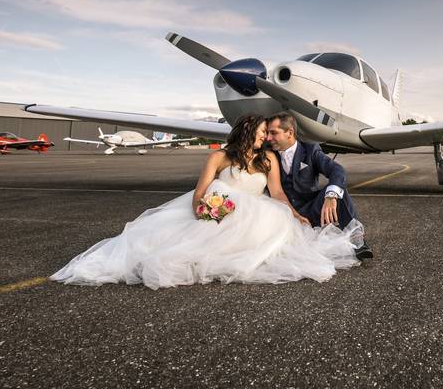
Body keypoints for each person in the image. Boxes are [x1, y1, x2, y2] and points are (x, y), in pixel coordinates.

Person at [51, 115, 364, 289]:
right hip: (219, 210)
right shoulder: (217, 157)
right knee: (175, 247)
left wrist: (295, 216)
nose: (265, 138)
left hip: (258, 211)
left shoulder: (268, 157)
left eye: (269, 133)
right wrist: (206, 212)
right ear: (246, 134)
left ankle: (354, 238)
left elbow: (278, 194)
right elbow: (200, 194)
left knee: (282, 227)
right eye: (260, 133)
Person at [266, 112, 373, 260]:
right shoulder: (267, 152)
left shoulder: (310, 150)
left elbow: (337, 170)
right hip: (282, 212)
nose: (268, 138)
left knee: (338, 190)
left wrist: (330, 196)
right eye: (267, 133)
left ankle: (358, 240)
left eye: (273, 133)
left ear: (289, 132)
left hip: (311, 210)